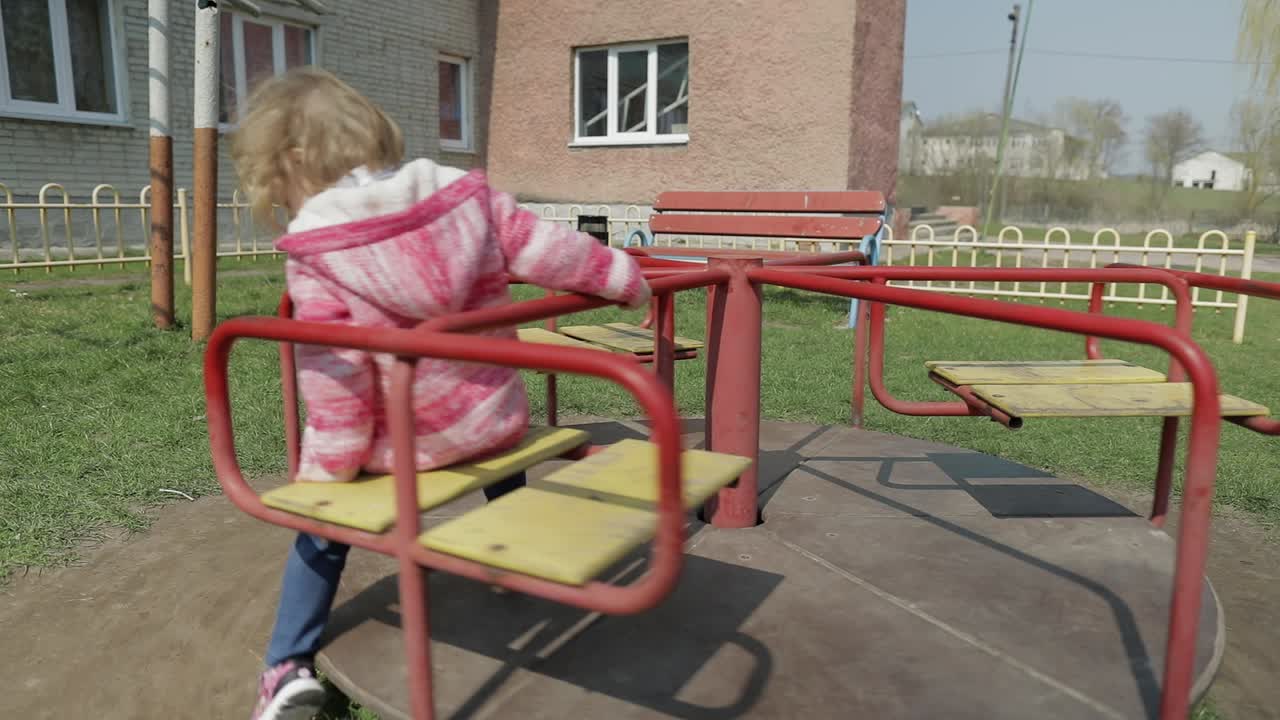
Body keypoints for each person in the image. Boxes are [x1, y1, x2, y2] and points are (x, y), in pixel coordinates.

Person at [231, 67, 651, 720]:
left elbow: (336, 382)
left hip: (404, 446)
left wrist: (327, 473)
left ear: (292, 165)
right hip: (492, 417)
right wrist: (624, 277)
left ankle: (286, 667)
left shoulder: (316, 252)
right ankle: (522, 565)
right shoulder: (467, 200)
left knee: (323, 527)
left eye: (276, 188)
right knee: (496, 443)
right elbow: (552, 251)